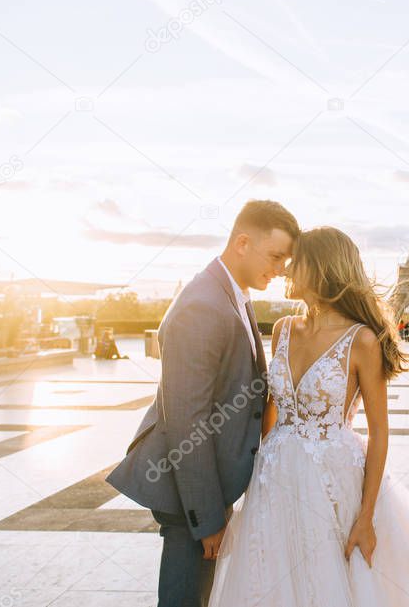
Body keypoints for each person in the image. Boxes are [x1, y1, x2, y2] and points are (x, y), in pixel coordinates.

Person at [206, 227, 409, 606]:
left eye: (294, 262)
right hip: (274, 477)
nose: (285, 269)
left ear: (319, 268)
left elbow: (380, 433)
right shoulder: (282, 329)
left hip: (333, 482)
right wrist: (251, 485)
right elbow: (271, 410)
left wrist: (366, 517)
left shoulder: (363, 341)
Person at [106, 200, 299, 607]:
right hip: (189, 492)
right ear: (243, 242)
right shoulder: (202, 304)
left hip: (205, 484)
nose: (281, 268)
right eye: (276, 256)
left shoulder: (232, 294)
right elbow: (187, 422)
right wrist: (207, 517)